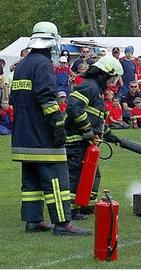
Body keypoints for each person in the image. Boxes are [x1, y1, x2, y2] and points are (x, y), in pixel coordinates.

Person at [10, 21, 90, 236]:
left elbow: (14, 99)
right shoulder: (43, 65)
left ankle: (33, 220)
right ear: (51, 42)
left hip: (23, 136)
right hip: (42, 136)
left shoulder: (22, 65)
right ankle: (63, 223)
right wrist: (57, 126)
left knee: (31, 180)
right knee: (57, 179)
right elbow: (47, 99)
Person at [65, 56, 125, 219]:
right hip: (75, 141)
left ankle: (86, 207)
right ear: (105, 74)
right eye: (113, 78)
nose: (113, 82)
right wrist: (86, 129)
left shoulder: (97, 91)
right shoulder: (89, 87)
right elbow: (73, 106)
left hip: (86, 142)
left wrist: (111, 136)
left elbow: (96, 119)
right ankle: (71, 210)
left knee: (93, 174)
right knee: (76, 175)